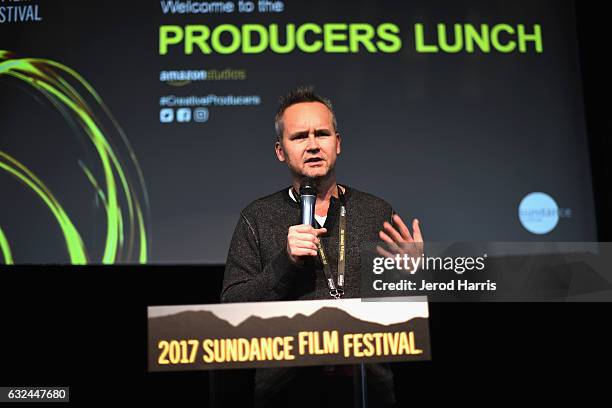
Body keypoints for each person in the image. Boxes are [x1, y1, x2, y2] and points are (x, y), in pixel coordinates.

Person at [220, 86, 423, 408]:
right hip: (284, 393)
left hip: (367, 389)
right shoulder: (257, 217)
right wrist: (285, 262)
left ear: (337, 143)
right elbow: (231, 307)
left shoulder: (376, 212)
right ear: (280, 151)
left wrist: (412, 276)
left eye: (322, 134)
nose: (313, 145)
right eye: (300, 136)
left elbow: (403, 317)